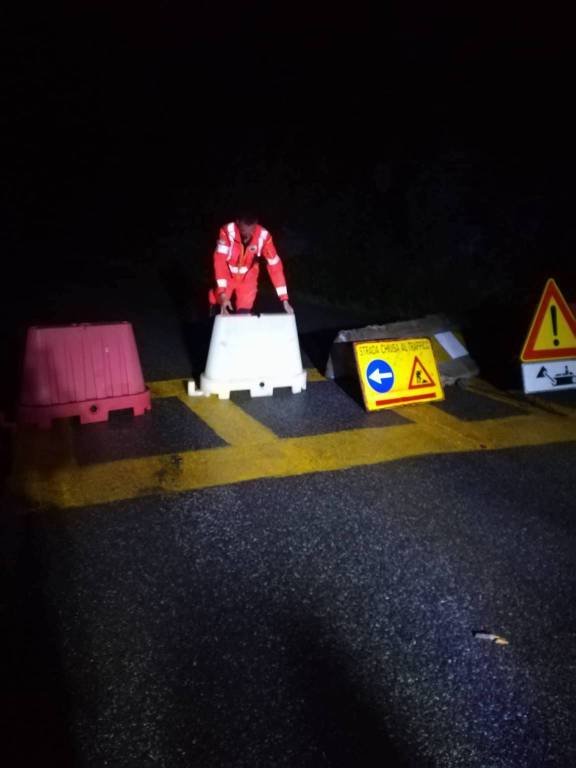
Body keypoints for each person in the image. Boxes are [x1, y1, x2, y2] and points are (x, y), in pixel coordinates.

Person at [208, 214, 294, 315]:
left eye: (252, 231)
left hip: (248, 280)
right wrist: (222, 294)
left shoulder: (264, 237)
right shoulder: (227, 231)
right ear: (238, 222)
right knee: (219, 304)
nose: (248, 235)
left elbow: (275, 267)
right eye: (244, 231)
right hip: (227, 277)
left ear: (256, 224)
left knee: (244, 313)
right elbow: (220, 262)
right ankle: (212, 310)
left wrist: (284, 299)